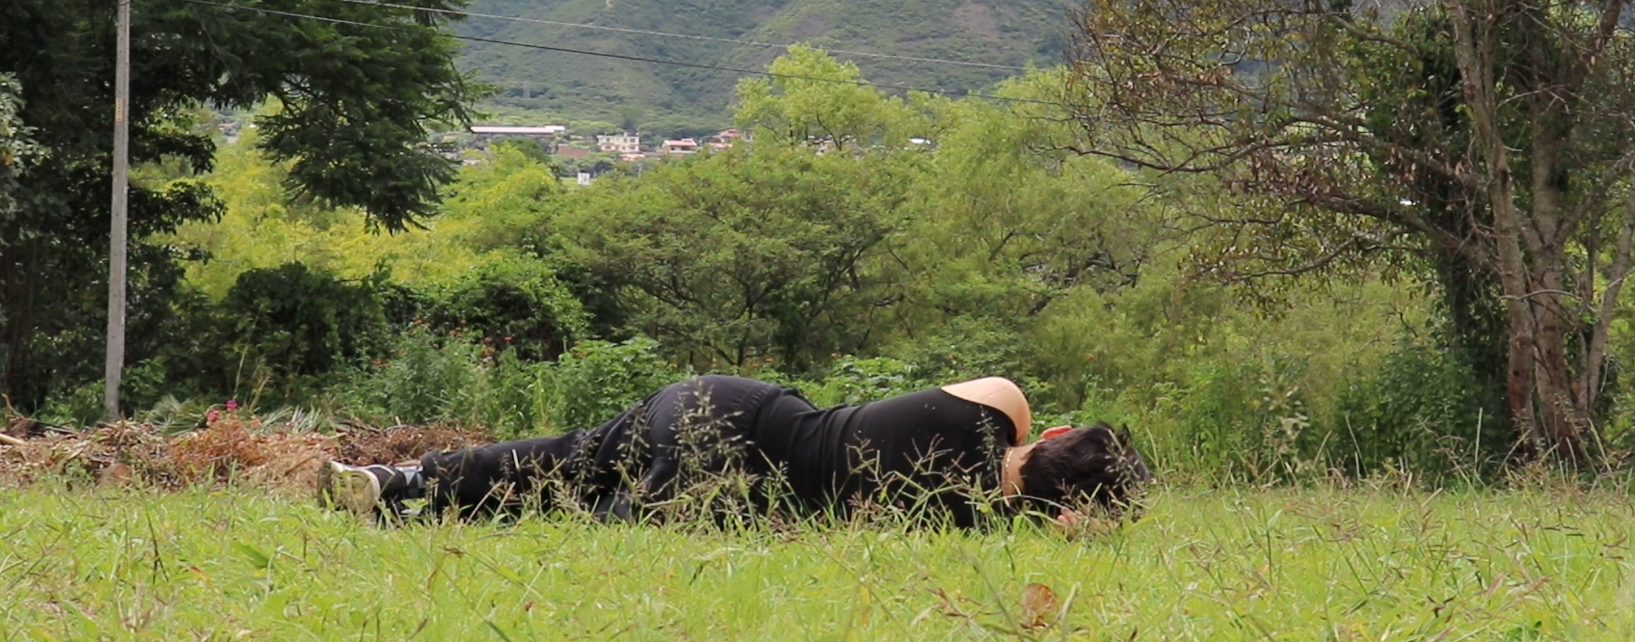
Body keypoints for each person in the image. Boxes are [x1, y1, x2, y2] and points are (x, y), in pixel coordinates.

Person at [317, 374, 1147, 529]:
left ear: (1054, 436)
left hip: (731, 404)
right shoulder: (965, 531)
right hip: (736, 484)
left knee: (575, 455)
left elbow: (1012, 401)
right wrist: (1042, 521)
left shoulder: (996, 406)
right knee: (597, 511)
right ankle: (420, 525)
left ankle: (407, 480)